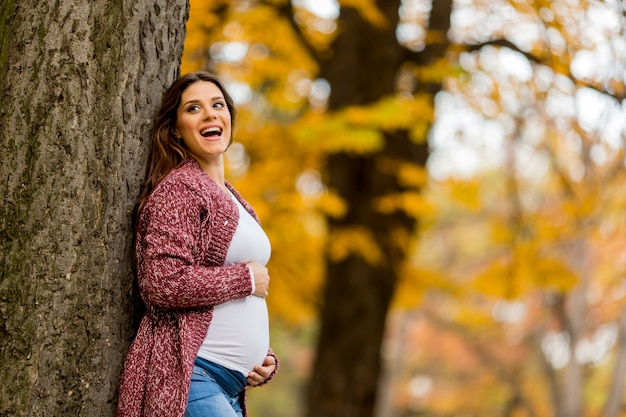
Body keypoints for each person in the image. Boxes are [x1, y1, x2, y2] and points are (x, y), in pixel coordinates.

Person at [117, 71, 278, 417]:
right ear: (175, 128)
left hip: (230, 385)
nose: (209, 115)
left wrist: (262, 358)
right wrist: (245, 279)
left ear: (229, 119)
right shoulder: (180, 188)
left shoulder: (234, 198)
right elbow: (162, 281)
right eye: (193, 108)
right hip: (191, 376)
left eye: (217, 105)